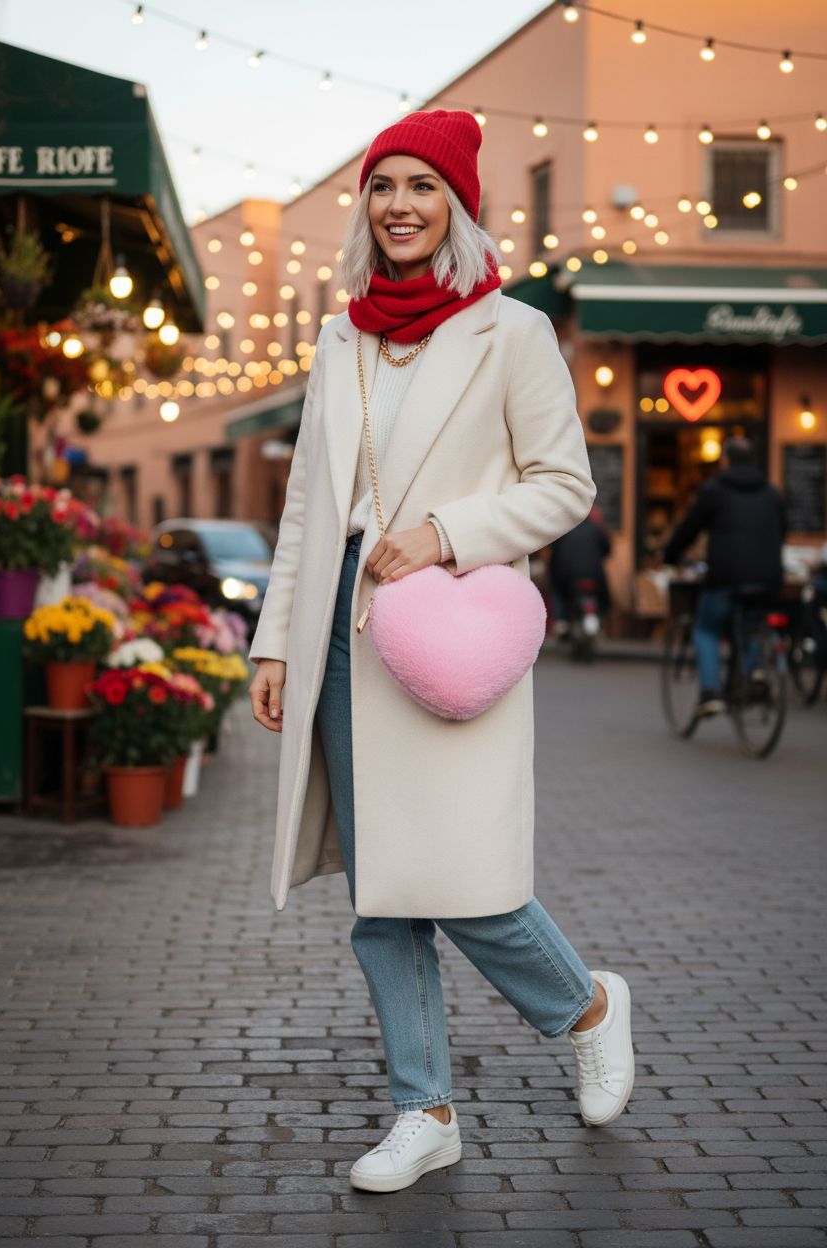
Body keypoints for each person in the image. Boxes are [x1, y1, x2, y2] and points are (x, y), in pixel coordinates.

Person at [248, 109, 635, 1193]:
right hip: (338, 628)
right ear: (364, 207)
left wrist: (446, 535)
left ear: (456, 205)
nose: (400, 205)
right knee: (383, 896)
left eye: (422, 186)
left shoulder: (511, 332)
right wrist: (274, 643)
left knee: (468, 881)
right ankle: (424, 1110)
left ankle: (587, 1005)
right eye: (383, 186)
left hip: (446, 629)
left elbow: (565, 486)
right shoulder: (339, 338)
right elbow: (304, 509)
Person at [662, 435, 785, 715]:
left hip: (726, 576)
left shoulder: (715, 489)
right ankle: (754, 673)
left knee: (706, 629)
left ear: (725, 461)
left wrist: (671, 554)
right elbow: (783, 531)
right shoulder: (771, 491)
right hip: (768, 576)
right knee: (751, 622)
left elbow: (689, 528)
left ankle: (710, 692)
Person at [547, 503, 611, 636]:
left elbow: (555, 556)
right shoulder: (596, 529)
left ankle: (561, 621)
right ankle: (602, 622)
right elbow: (607, 550)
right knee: (604, 597)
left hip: (568, 577)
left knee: (559, 591)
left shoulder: (562, 530)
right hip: (595, 576)